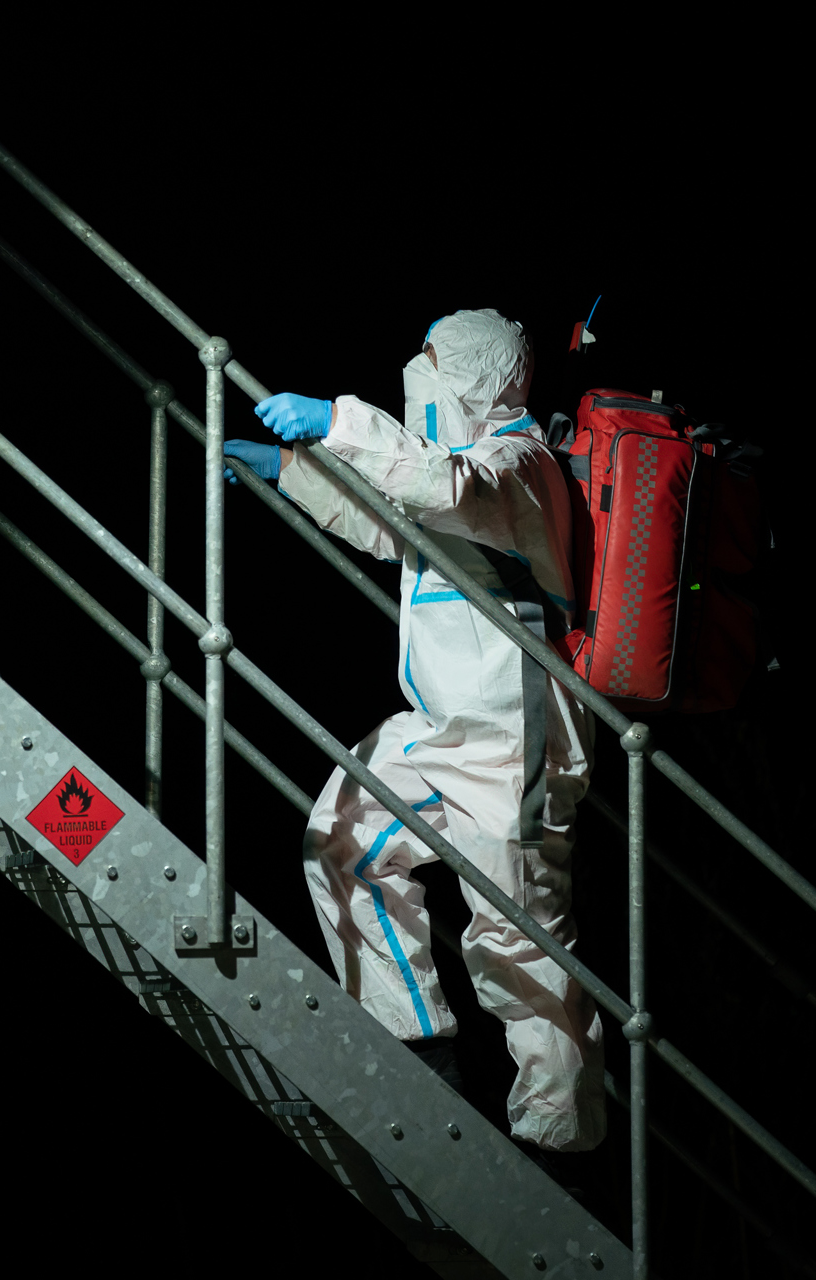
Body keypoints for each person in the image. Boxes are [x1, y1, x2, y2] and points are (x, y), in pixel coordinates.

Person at [223, 309, 604, 1155]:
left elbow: (445, 489)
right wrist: (290, 471)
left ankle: (561, 1141)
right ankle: (415, 1050)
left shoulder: (519, 461)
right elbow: (395, 523)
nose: (417, 368)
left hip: (516, 742)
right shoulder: (457, 463)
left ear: (467, 371)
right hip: (439, 730)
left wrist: (339, 421)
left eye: (432, 357)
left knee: (520, 938)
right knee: (340, 842)